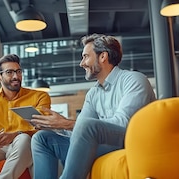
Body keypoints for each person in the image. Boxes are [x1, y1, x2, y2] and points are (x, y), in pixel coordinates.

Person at [30, 34, 156, 179]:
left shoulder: (133, 80)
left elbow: (124, 124)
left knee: (85, 125)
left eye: (85, 57)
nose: (81, 63)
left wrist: (67, 123)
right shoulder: (93, 93)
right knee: (42, 138)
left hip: (131, 141)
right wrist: (57, 125)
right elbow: (80, 134)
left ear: (103, 56)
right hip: (102, 145)